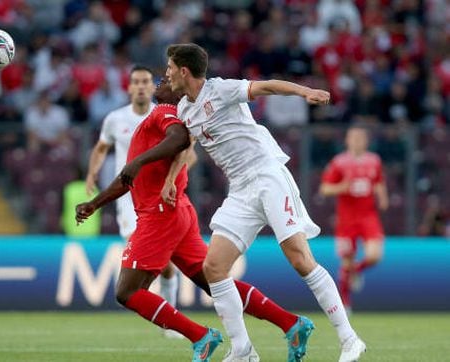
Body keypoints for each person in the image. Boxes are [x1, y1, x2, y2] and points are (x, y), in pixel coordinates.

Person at [77, 80, 315, 362]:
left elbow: (178, 139)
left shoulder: (164, 110)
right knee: (215, 282)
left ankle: (199, 336)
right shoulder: (160, 118)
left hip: (160, 214)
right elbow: (129, 177)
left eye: (167, 77)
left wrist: (138, 162)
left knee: (128, 291)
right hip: (177, 212)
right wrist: (96, 203)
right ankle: (291, 323)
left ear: (178, 90)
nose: (161, 80)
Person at [163, 43, 365, 362]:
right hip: (241, 189)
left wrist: (305, 92)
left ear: (184, 70)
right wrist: (172, 177)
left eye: (170, 67)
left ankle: (349, 338)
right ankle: (243, 351)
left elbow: (267, 85)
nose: (167, 73)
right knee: (213, 267)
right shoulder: (185, 110)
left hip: (266, 175)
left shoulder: (222, 90)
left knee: (299, 258)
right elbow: (187, 148)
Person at [85, 66, 182, 338]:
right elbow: (102, 147)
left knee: (167, 266)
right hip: (127, 199)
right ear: (128, 88)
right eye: (136, 82)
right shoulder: (115, 119)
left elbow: (182, 150)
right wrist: (92, 172)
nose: (140, 86)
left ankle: (169, 315)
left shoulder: (162, 115)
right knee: (151, 258)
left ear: (153, 87)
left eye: (145, 82)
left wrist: (173, 177)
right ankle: (165, 315)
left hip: (156, 195)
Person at [320, 125, 388, 312]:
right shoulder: (339, 162)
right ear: (347, 140)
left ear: (366, 141)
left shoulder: (374, 160)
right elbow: (325, 188)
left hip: (368, 215)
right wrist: (342, 187)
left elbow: (379, 181)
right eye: (353, 137)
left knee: (375, 255)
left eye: (361, 138)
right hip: (347, 219)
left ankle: (355, 272)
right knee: (346, 260)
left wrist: (382, 196)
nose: (357, 141)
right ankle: (345, 302)